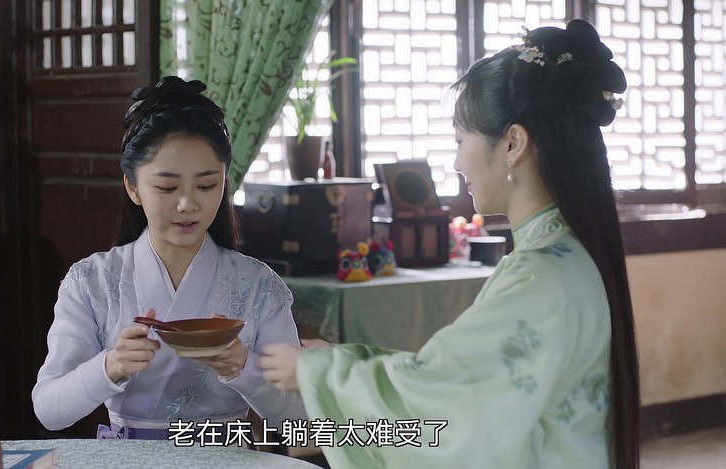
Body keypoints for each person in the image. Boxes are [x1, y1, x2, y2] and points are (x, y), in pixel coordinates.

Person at [259, 19, 640, 468]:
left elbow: (453, 409)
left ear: (513, 144)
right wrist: (343, 360)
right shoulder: (563, 255)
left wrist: (316, 373)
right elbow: (459, 378)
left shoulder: (541, 276)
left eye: (461, 140)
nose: (457, 162)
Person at [32, 76, 306, 441]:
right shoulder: (91, 281)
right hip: (129, 462)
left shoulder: (258, 285)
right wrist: (110, 366)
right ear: (133, 187)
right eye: (167, 187)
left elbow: (300, 417)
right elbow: (49, 410)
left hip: (227, 459)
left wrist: (244, 368)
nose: (188, 203)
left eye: (207, 185)